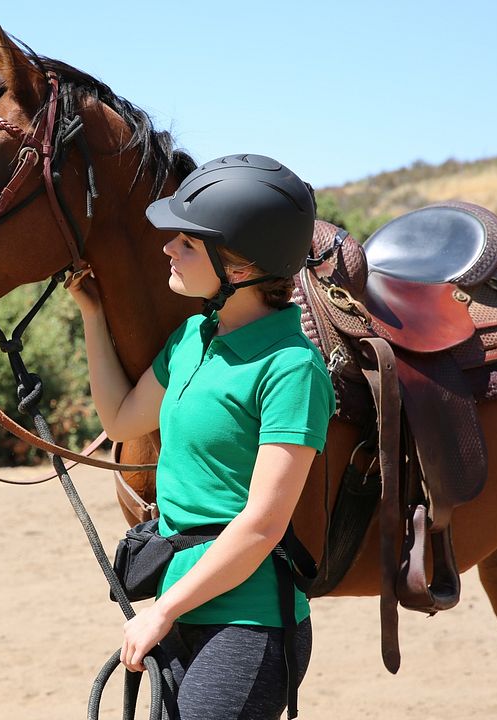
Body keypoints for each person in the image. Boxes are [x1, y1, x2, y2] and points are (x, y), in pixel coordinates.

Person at [67, 154, 333, 719]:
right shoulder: (193, 336)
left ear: (238, 268)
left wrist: (162, 611)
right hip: (177, 607)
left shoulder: (292, 368)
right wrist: (92, 316)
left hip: (248, 622)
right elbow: (119, 419)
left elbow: (262, 526)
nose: (168, 248)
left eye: (187, 242)